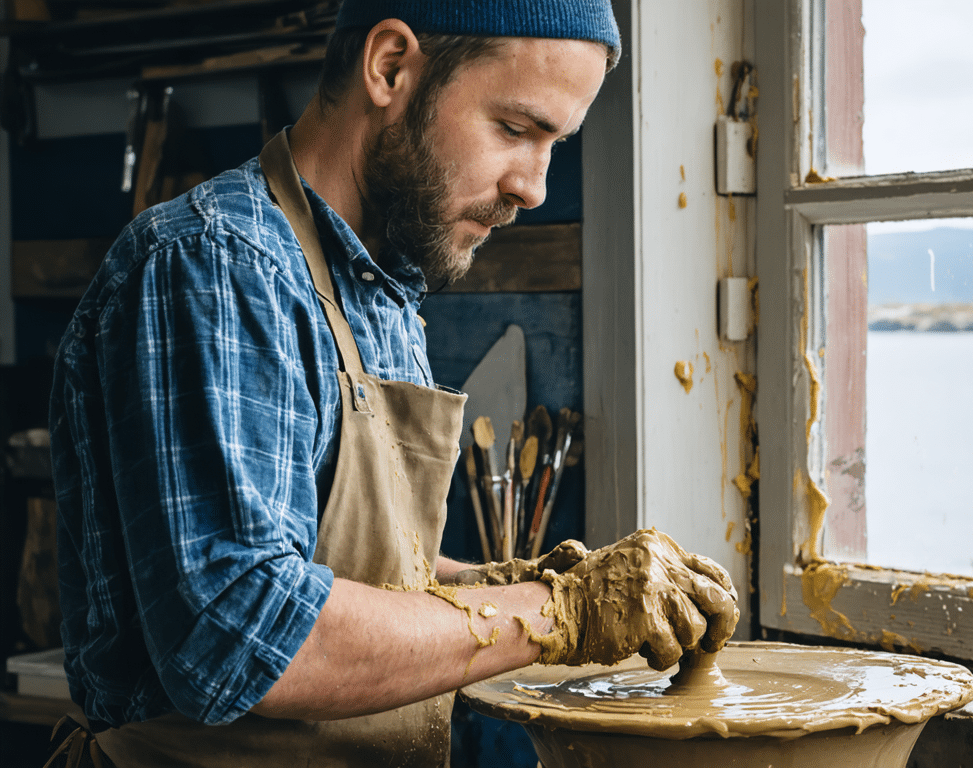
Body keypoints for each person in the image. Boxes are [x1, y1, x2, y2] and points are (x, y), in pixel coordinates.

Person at [46, 1, 739, 765]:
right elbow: (238, 634)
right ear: (390, 68)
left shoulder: (381, 291)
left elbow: (345, 570)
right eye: (515, 129)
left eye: (556, 143)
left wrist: (506, 582)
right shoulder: (216, 267)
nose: (535, 187)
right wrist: (559, 613)